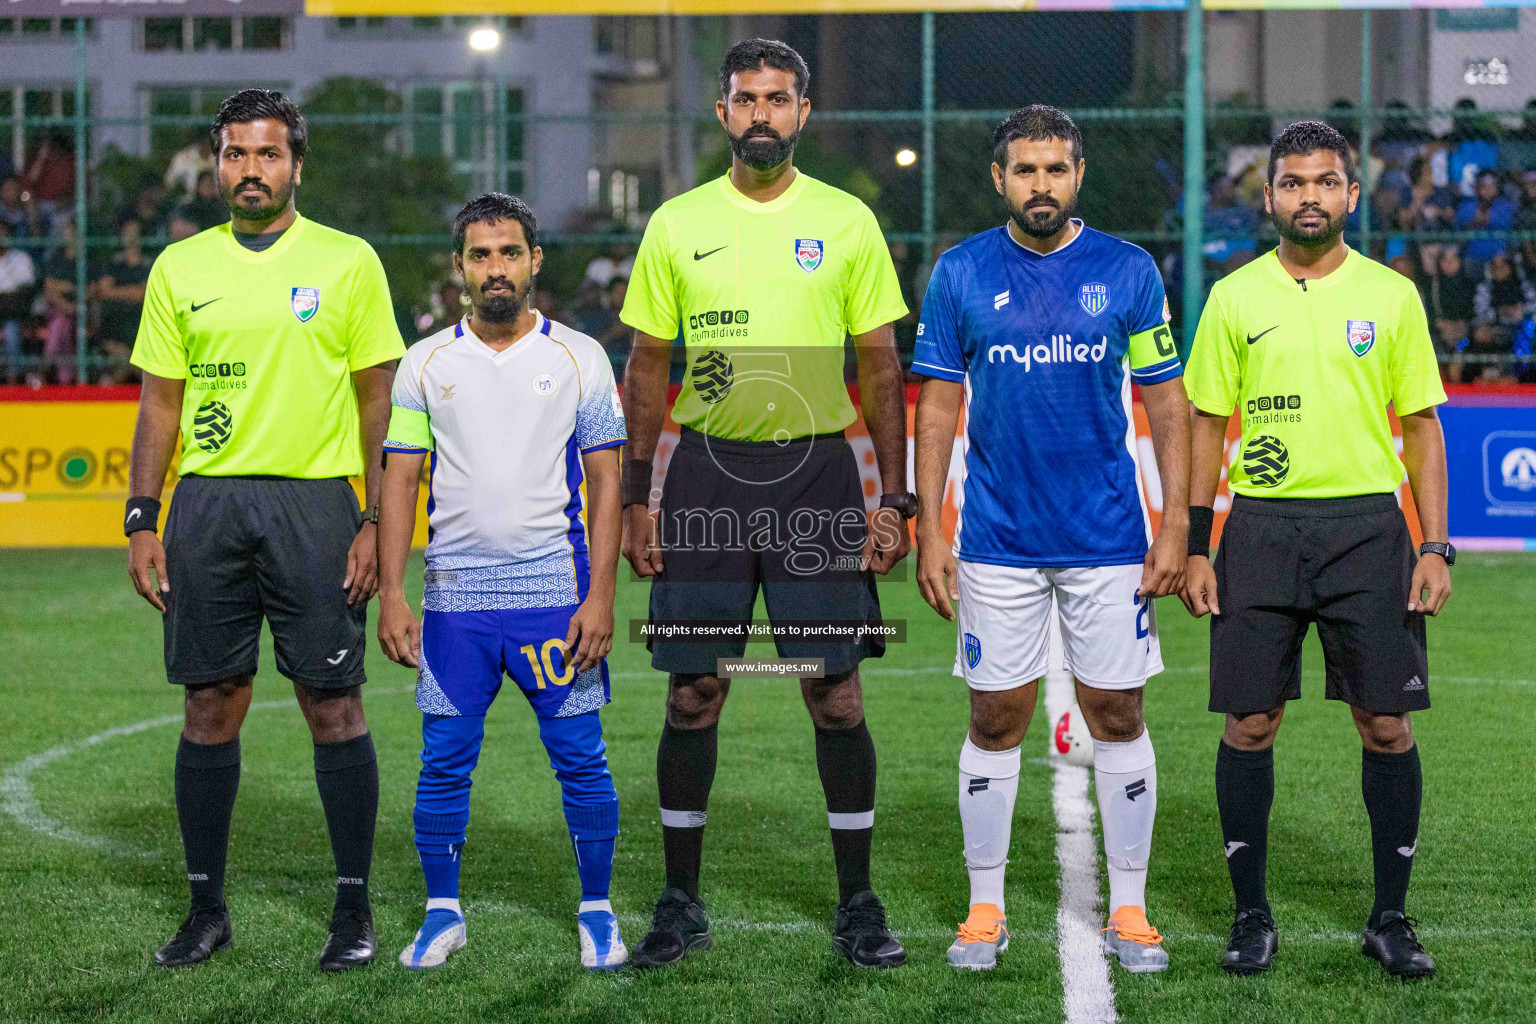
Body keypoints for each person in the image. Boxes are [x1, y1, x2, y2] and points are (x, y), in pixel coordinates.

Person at [619, 38, 913, 970]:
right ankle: (679, 900)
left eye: (777, 99)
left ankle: (859, 902)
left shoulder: (848, 221)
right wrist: (637, 499)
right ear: (721, 114)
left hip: (817, 478)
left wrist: (895, 500)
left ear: (803, 112)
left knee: (834, 692)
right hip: (704, 473)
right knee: (695, 690)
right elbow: (645, 368)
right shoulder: (676, 223)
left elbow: (879, 367)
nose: (760, 114)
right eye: (745, 98)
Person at [125, 89, 405, 972]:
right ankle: (206, 909)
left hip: (316, 505)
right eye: (237, 155)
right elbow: (158, 404)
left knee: (335, 705)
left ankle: (352, 913)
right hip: (207, 505)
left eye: (269, 155)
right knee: (209, 704)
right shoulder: (181, 269)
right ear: (218, 163)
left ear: (296, 163)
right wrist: (143, 516)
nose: (252, 171)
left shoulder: (349, 261)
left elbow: (380, 402)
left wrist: (372, 519)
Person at [910, 105, 1189, 973]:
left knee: (1117, 712)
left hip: (1109, 539)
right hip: (995, 539)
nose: (1042, 185)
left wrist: (1175, 520)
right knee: (996, 717)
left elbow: (1168, 401)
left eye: (1056, 169)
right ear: (1000, 179)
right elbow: (939, 409)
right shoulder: (959, 274)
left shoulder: (1130, 271)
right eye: (1025, 170)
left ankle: (1132, 908)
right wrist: (931, 529)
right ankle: (984, 907)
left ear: (1078, 175)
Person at [1182, 121, 1451, 979]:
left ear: (1350, 195)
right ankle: (1251, 915)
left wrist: (1435, 544)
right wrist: (1196, 544)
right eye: (1293, 183)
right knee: (1250, 723)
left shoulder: (1392, 296)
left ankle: (1389, 917)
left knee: (1386, 724)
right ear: (1269, 197)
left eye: (1325, 183)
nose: (1309, 197)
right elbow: (1204, 423)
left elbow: (1421, 426)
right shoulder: (1233, 298)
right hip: (1259, 529)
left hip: (1371, 531)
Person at [377, 194, 628, 972]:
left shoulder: (579, 356)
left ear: (534, 261)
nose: (495, 268)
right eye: (480, 255)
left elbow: (608, 482)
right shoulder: (424, 363)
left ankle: (598, 911)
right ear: (460, 267)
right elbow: (400, 482)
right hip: (455, 603)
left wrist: (602, 597)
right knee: (443, 758)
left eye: (509, 253)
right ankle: (441, 912)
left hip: (556, 594)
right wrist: (392, 591)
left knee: (582, 755)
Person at [93, 219, 152, 384]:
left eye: (134, 233)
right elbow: (103, 291)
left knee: (127, 364)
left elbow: (144, 293)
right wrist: (132, 291)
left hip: (141, 325)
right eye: (127, 233)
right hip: (115, 327)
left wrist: (116, 291)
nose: (130, 237)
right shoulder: (114, 264)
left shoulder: (148, 264)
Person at [40, 219, 83, 386]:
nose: (68, 236)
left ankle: (44, 370)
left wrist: (66, 288)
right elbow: (49, 288)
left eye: (72, 232)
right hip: (62, 310)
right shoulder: (57, 259)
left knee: (60, 325)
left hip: (82, 312)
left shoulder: (86, 260)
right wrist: (70, 302)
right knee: (61, 324)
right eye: (66, 232)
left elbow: (92, 289)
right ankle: (65, 379)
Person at [1455, 169, 1515, 271]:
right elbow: (1459, 234)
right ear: (1477, 187)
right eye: (1484, 186)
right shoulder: (1466, 207)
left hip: (1499, 258)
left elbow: (1507, 229)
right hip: (1472, 257)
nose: (1488, 190)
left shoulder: (1505, 207)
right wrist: (1476, 221)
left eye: (1492, 186)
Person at [0, 220, 36, 384]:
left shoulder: (22, 258)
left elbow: (25, 288)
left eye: (3, 233)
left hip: (14, 311)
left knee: (11, 332)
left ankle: (12, 380)